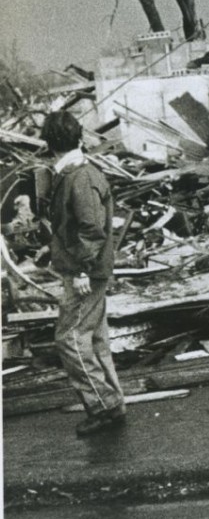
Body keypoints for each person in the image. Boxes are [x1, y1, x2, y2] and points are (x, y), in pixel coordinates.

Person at [40, 110, 125, 437]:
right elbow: (78, 225)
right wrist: (54, 249)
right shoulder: (79, 172)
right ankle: (112, 402)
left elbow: (90, 229)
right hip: (90, 268)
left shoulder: (78, 176)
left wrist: (80, 269)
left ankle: (102, 405)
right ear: (78, 137)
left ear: (49, 143)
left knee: (71, 338)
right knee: (95, 338)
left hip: (85, 272)